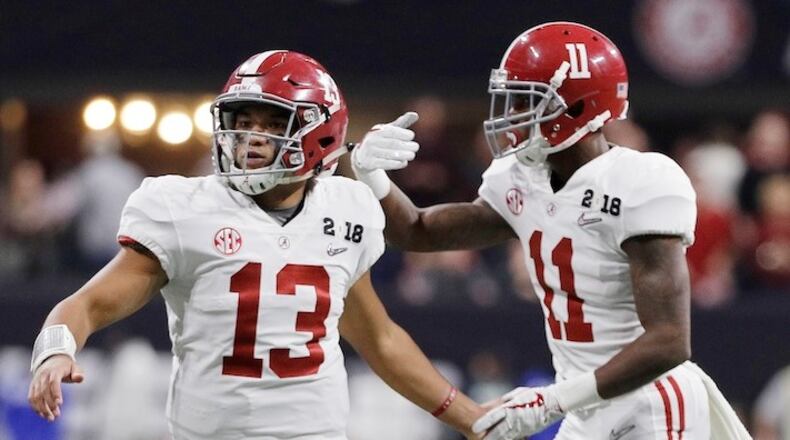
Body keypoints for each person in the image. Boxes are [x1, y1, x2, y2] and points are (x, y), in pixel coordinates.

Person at [27, 50, 483, 440]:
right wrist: (56, 349)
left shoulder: (347, 208)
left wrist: (471, 418)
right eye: (242, 121)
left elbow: (379, 339)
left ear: (317, 131)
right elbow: (88, 304)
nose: (250, 138)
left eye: (271, 123)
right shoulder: (184, 209)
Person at [350, 22, 750, 439]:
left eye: (528, 99)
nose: (512, 114)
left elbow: (669, 341)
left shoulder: (641, 181)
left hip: (649, 400)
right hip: (582, 404)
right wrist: (369, 173)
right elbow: (418, 232)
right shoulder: (521, 178)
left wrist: (552, 400)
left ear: (578, 107)